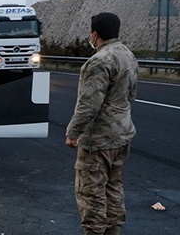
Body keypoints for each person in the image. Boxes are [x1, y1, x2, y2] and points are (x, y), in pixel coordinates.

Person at [65, 12, 138, 235]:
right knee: (113, 187)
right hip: (122, 134)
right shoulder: (128, 55)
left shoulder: (99, 61)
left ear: (94, 35)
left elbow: (89, 104)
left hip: (99, 140)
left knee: (91, 193)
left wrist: (73, 132)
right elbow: (131, 95)